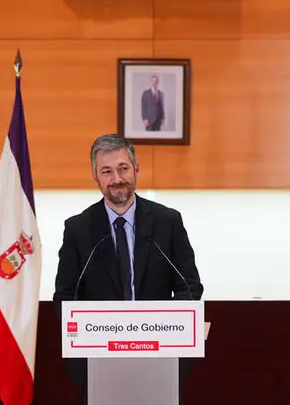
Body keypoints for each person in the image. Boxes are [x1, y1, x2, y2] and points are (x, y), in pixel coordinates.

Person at [53, 133, 203, 399]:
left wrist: (158, 328)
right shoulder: (78, 228)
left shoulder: (167, 221)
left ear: (136, 169)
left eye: (123, 168)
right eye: (107, 171)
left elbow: (189, 286)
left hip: (159, 359)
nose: (117, 179)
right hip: (98, 361)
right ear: (95, 177)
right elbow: (65, 297)